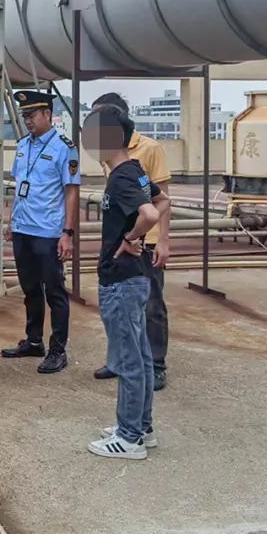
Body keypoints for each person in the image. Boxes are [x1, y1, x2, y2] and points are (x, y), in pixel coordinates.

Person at [83, 105, 170, 460]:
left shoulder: (121, 177)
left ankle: (129, 437)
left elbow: (149, 212)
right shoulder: (134, 170)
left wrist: (132, 237)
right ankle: (141, 427)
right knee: (142, 356)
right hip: (135, 277)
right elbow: (163, 200)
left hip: (121, 279)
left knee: (128, 360)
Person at [0, 90, 80, 373]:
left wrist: (67, 233)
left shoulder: (64, 147)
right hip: (23, 229)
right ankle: (34, 341)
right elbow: (19, 188)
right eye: (24, 116)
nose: (28, 121)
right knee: (30, 288)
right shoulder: (23, 145)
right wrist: (12, 221)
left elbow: (71, 192)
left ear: (48, 114)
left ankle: (58, 350)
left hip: (48, 231)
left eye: (32, 115)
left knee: (54, 292)